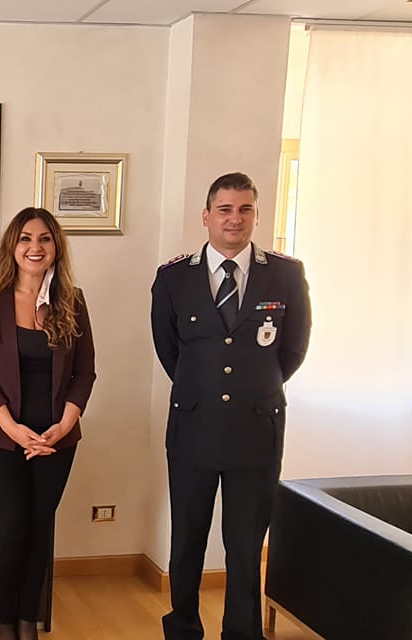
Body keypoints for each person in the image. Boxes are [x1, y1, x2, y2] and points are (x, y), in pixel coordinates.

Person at [151, 172, 312, 640]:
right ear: (206, 216)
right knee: (187, 541)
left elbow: (293, 350)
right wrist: (203, 388)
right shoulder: (173, 278)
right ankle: (183, 627)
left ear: (256, 216)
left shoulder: (285, 274)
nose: (234, 219)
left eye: (245, 210)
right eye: (224, 209)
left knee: (244, 547)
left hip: (255, 430)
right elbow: (169, 351)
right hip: (194, 428)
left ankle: (242, 632)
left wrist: (251, 387)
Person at [0, 207, 95, 640]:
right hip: (0, 437)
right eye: (25, 238)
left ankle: (27, 622)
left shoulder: (72, 300)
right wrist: (12, 427)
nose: (34, 247)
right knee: (9, 530)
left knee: (40, 530)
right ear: (12, 246)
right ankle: (3, 623)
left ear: (56, 246)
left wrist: (65, 423)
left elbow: (85, 372)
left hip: (56, 438)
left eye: (44, 238)